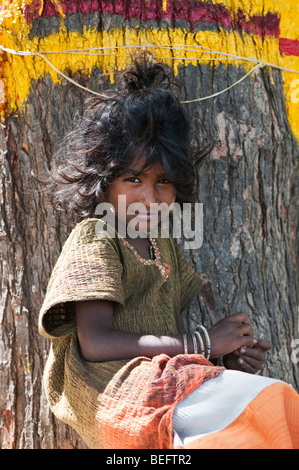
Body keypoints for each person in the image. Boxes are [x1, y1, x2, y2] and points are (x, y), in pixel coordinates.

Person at [39, 56, 299, 449]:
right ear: (103, 181)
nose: (150, 197)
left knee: (262, 423)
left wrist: (219, 363)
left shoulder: (165, 247)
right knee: (275, 400)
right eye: (133, 179)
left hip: (161, 388)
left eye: (163, 181)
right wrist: (203, 343)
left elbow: (165, 339)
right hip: (116, 394)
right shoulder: (98, 234)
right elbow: (96, 343)